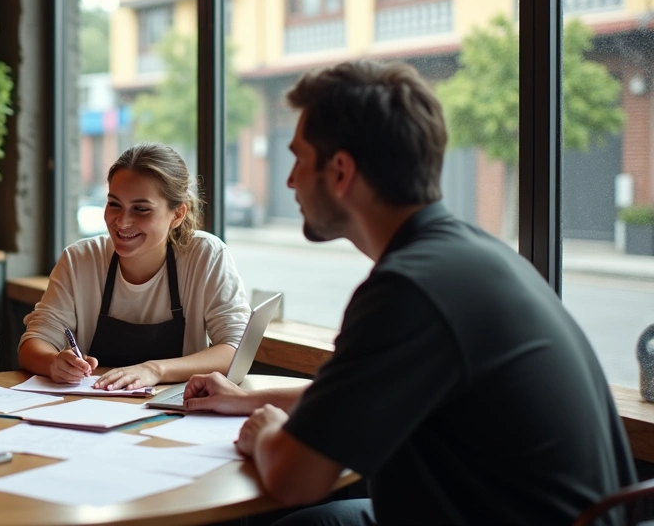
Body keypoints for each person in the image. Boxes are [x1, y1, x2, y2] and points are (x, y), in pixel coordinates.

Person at [183, 60, 635, 525]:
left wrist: (265, 433)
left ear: (341, 171)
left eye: (298, 158)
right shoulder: (467, 257)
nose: (289, 180)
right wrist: (243, 400)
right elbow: (347, 402)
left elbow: (297, 478)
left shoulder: (409, 290)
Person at [19, 143, 251, 391]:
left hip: (175, 412)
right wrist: (54, 363)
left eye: (141, 209)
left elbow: (236, 349)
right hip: (91, 409)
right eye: (114, 204)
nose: (122, 222)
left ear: (178, 214)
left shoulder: (206, 255)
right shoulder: (80, 260)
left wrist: (154, 370)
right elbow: (34, 343)